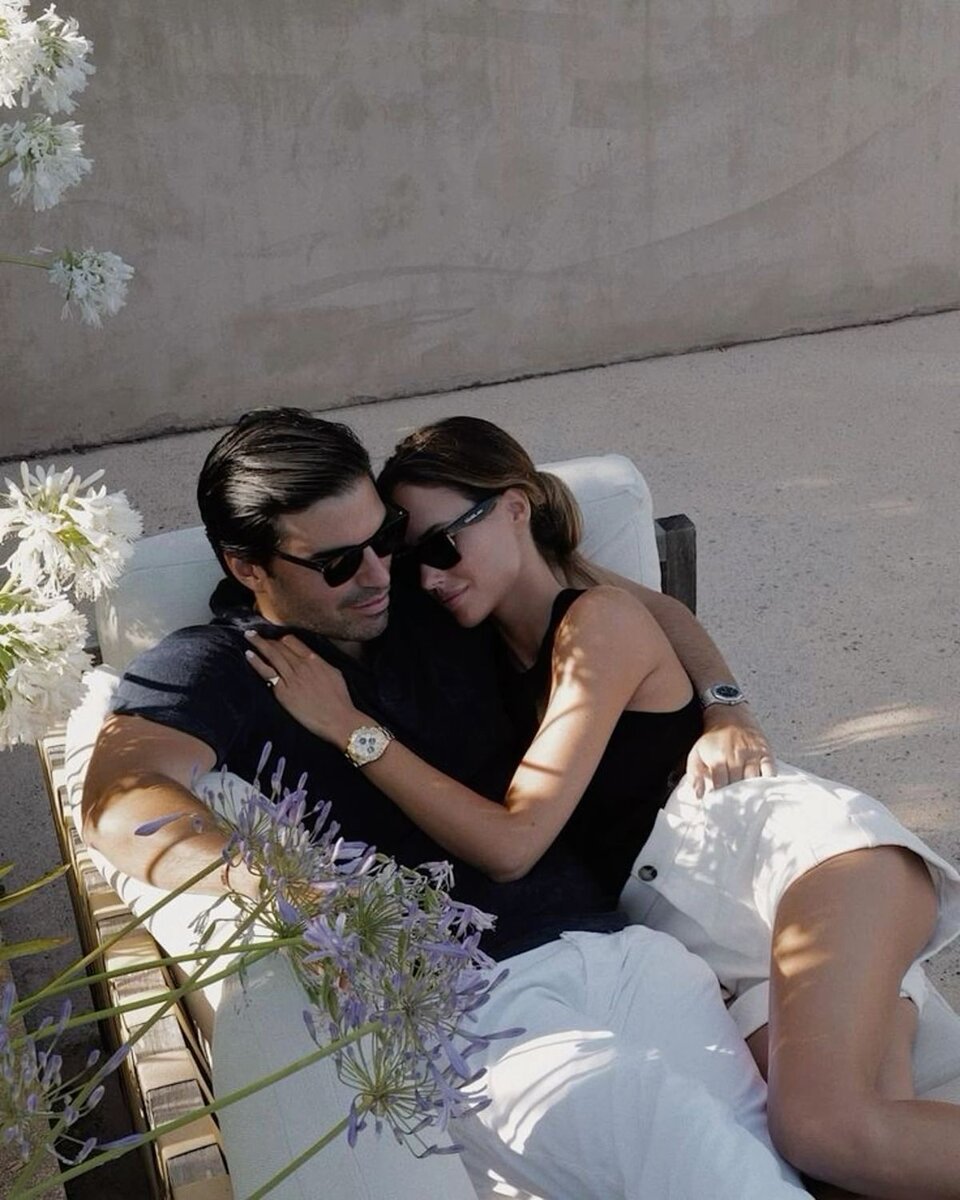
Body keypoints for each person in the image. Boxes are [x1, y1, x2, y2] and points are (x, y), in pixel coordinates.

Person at [82, 408, 809, 1200]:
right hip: (478, 1010)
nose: (376, 574)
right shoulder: (222, 666)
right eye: (337, 563)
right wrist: (288, 884)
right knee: (688, 1149)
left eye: (383, 537)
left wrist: (726, 704)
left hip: (627, 953)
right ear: (248, 565)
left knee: (768, 1157)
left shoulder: (433, 585)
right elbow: (121, 802)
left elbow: (640, 609)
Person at [245, 414, 960, 1200]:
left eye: (443, 546)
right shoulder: (481, 639)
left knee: (822, 1129)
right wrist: (722, 699)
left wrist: (352, 730)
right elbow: (672, 615)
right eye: (409, 556)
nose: (427, 577)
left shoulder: (595, 622)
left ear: (515, 508)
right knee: (849, 1172)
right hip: (722, 942)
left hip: (798, 867)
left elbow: (516, 840)